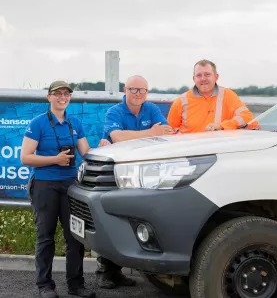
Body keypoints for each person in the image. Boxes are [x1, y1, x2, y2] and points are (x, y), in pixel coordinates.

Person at [96, 75, 174, 289]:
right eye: (133, 89)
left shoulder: (152, 110)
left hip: (142, 172)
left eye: (142, 90)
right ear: (125, 90)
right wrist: (150, 133)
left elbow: (166, 134)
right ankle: (105, 271)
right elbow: (118, 137)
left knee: (134, 220)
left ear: (147, 92)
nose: (138, 93)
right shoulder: (114, 112)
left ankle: (121, 271)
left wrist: (138, 135)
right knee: (112, 219)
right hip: (115, 173)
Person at [20, 81, 97, 298]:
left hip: (71, 185)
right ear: (49, 97)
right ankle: (45, 285)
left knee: (75, 236)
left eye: (66, 94)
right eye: (57, 93)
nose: (62, 97)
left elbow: (86, 151)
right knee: (46, 236)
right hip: (45, 185)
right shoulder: (38, 123)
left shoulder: (75, 122)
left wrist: (103, 149)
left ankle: (76, 284)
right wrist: (55, 159)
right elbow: (25, 157)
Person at [167, 59, 260, 133]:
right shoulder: (181, 101)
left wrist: (221, 126)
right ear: (194, 78)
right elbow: (169, 130)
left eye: (207, 74)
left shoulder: (228, 95)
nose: (203, 79)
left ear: (216, 77)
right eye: (199, 75)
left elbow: (247, 117)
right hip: (188, 152)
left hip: (218, 151)